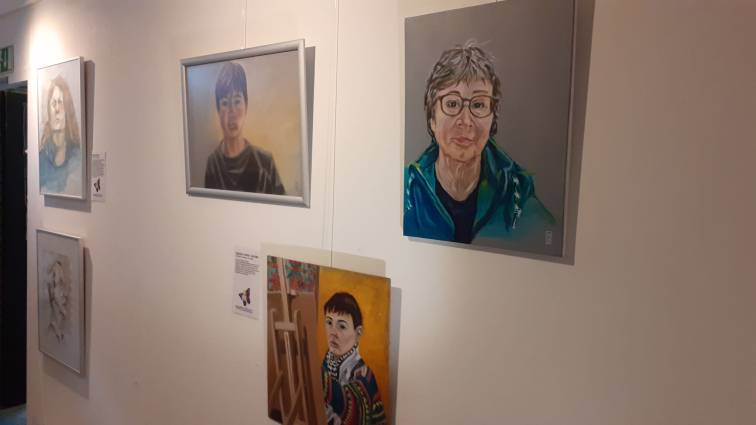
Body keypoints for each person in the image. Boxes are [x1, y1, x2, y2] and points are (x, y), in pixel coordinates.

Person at [404, 42, 555, 244]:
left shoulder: (516, 197)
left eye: (478, 105)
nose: (465, 121)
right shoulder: (407, 190)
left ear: (492, 119)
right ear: (432, 118)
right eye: (452, 103)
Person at [204, 61, 285, 194]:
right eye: (225, 103)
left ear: (246, 106)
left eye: (237, 101)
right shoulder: (212, 164)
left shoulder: (265, 164)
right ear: (218, 111)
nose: (232, 112)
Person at [322, 292, 386, 425]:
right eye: (329, 322)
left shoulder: (365, 375)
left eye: (342, 326)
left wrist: (318, 377)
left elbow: (353, 409)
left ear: (358, 333)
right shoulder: (326, 363)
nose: (333, 332)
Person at [39, 75, 82, 194]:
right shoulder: (42, 158)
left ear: (67, 109)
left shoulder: (76, 156)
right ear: (48, 110)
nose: (57, 109)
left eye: (61, 102)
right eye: (53, 103)